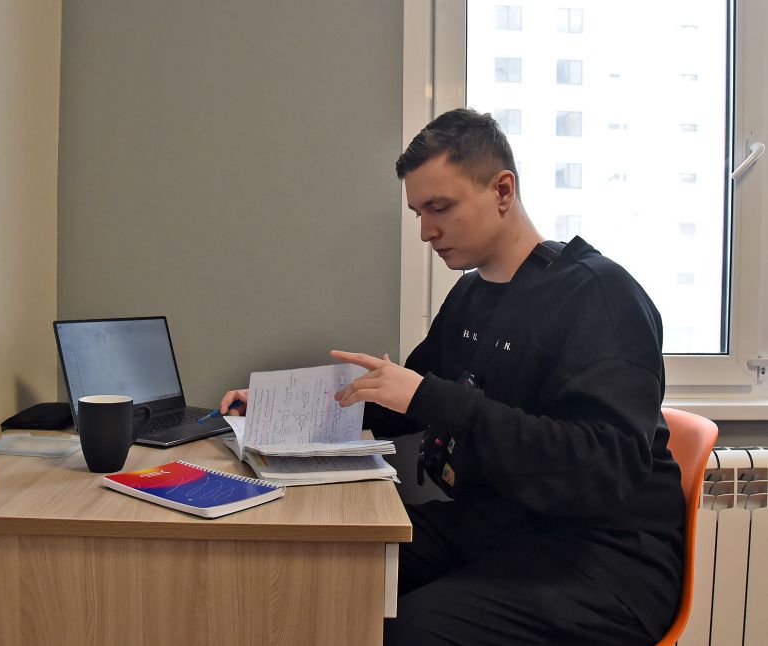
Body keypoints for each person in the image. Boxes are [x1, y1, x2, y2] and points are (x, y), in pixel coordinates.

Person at [219, 108, 684, 645]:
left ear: (503, 190)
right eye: (419, 212)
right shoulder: (472, 295)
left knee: (409, 633)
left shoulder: (600, 296)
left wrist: (429, 396)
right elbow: (405, 399)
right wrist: (280, 409)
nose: (426, 232)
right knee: (325, 568)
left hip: (604, 559)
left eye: (440, 208)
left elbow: (602, 467)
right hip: (497, 526)